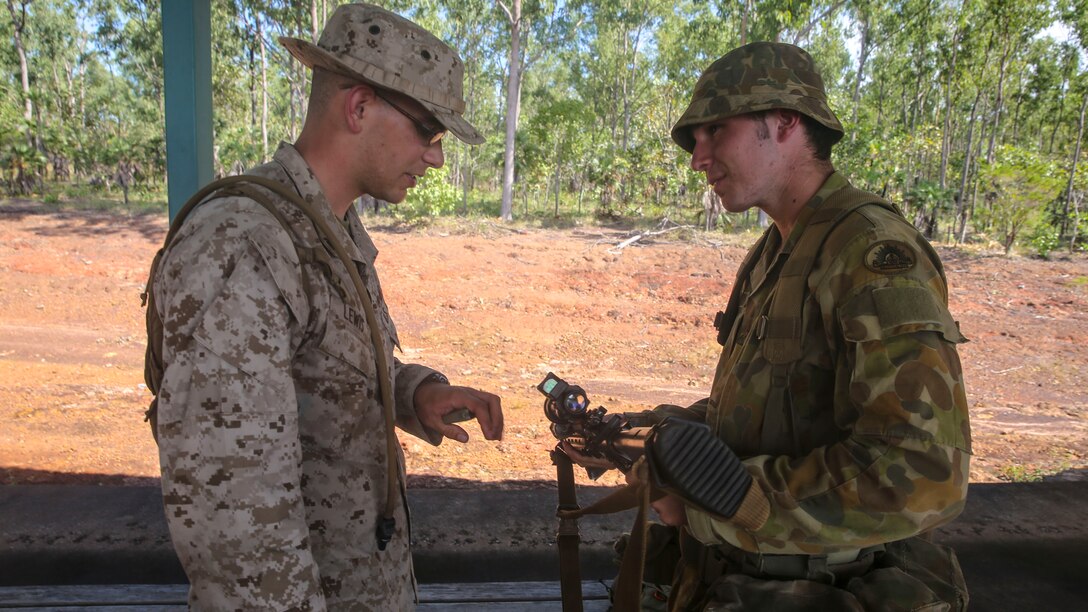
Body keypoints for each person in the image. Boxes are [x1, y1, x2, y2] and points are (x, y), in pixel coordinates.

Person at [567, 41, 971, 611]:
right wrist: (654, 435)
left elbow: (922, 472)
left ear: (784, 121)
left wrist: (725, 504)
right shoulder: (777, 248)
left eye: (714, 132)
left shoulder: (869, 251)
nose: (697, 157)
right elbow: (770, 411)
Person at [148, 4, 502, 609]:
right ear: (359, 108)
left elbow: (324, 370)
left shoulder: (324, 227)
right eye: (429, 132)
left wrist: (411, 392)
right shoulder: (245, 243)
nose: (437, 157)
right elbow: (236, 524)